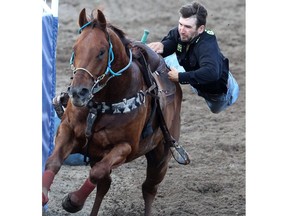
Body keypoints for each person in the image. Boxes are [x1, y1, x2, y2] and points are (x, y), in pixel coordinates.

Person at [148, 1, 239, 114]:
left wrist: (181, 77)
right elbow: (172, 39)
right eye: (180, 24)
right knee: (161, 58)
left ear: (200, 29)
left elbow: (211, 73)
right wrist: (163, 46)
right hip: (194, 74)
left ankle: (229, 84)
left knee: (216, 109)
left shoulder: (206, 45)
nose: (181, 29)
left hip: (218, 94)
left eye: (187, 26)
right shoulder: (181, 32)